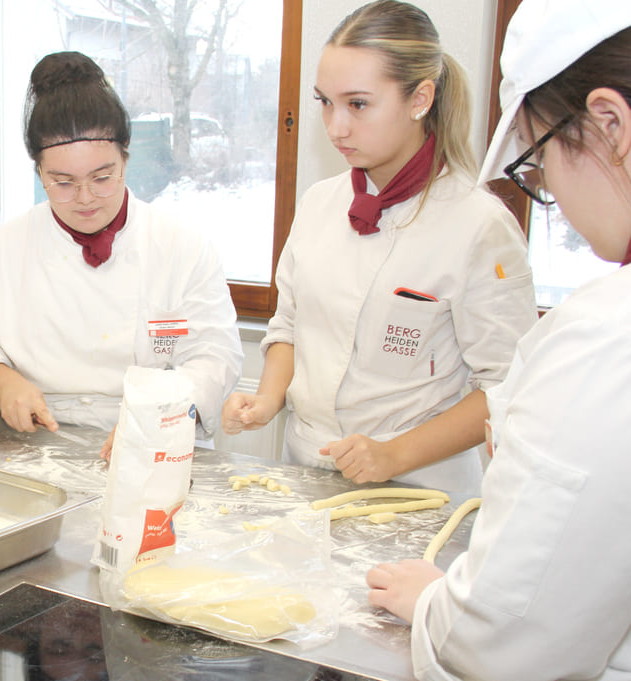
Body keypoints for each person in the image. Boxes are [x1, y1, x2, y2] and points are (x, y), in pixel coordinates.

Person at [367, 2, 631, 678]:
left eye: (539, 166)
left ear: (610, 124)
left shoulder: (606, 338)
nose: (557, 203)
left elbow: (506, 641)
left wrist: (437, 604)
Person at [221, 0, 536, 489]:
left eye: (358, 104)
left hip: (421, 486)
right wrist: (268, 398)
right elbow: (289, 326)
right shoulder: (321, 203)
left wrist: (393, 455)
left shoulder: (478, 226)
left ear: (420, 99)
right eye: (324, 101)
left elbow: (505, 386)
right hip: (306, 467)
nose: (335, 127)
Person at [0, 51, 243, 442]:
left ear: (125, 160)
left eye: (102, 177)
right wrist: (4, 384)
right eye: (63, 182)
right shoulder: (3, 249)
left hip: (157, 440)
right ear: (39, 172)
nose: (85, 198)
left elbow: (214, 355)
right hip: (36, 438)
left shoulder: (180, 247)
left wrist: (155, 417)